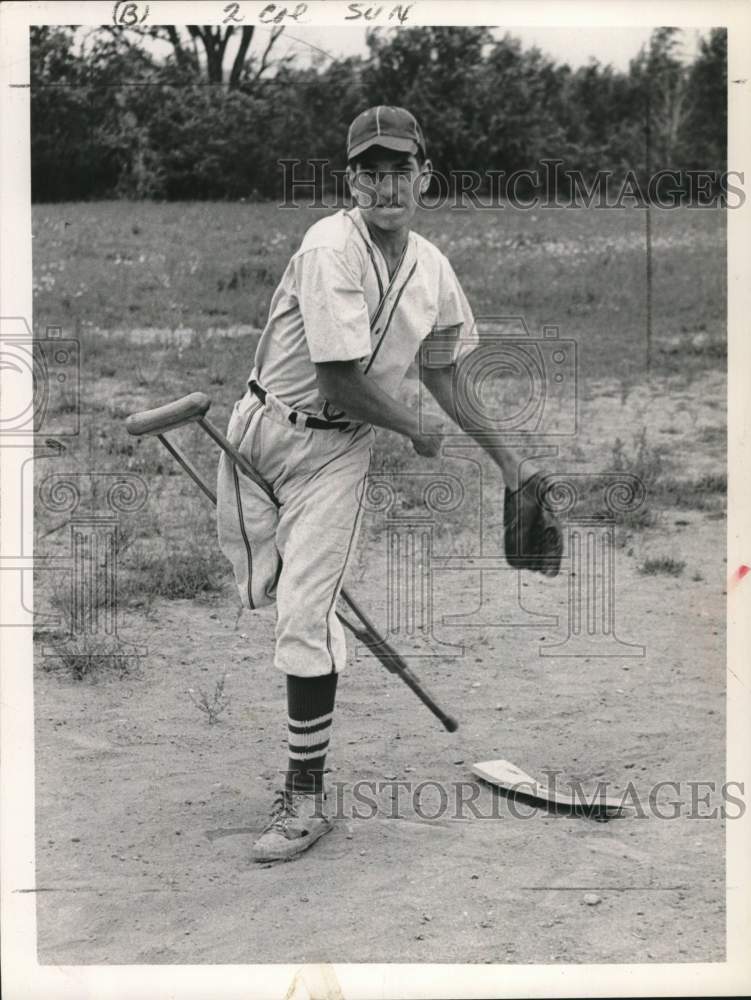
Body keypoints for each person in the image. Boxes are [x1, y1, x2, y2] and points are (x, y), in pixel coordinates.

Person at [217, 106, 546, 862]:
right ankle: (319, 631)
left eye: (400, 168)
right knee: (265, 592)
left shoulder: (431, 267)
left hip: (338, 455)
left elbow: (442, 370)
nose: (386, 183)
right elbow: (336, 377)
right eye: (371, 170)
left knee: (302, 614)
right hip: (258, 436)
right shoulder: (328, 244)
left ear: (424, 176)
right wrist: (413, 428)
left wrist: (507, 460)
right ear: (350, 182)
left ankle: (305, 798)